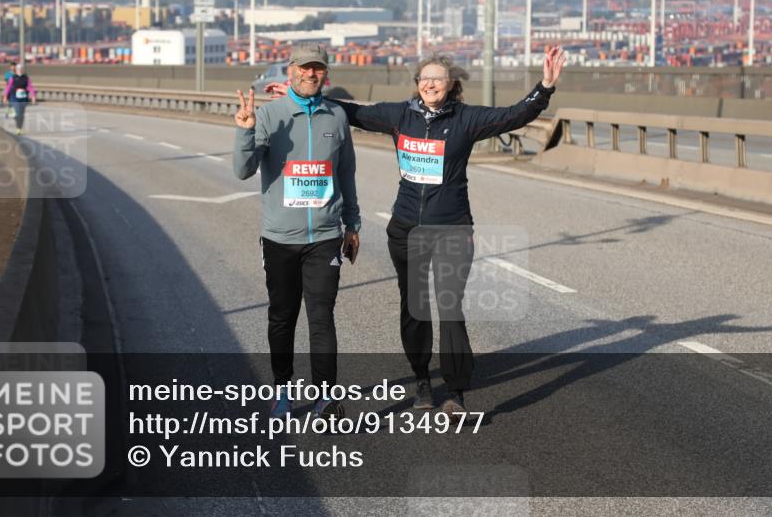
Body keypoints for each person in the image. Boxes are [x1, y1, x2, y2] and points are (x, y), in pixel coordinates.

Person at [265, 46, 566, 418]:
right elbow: (351, 112)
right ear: (417, 83)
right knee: (414, 306)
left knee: (450, 306)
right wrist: (298, 97)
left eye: (438, 79)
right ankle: (422, 378)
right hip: (406, 229)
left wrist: (545, 87)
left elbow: (514, 115)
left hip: (452, 228)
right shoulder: (400, 115)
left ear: (451, 84)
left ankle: (455, 392)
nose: (430, 84)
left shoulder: (467, 119)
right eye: (425, 79)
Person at [233, 42, 361, 421]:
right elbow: (243, 170)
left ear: (326, 74)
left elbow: (346, 174)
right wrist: (245, 132)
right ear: (291, 71)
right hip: (280, 238)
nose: (310, 73)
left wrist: (352, 224)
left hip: (325, 237)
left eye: (317, 68)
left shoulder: (336, 116)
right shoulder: (270, 115)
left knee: (322, 318)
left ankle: (325, 399)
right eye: (304, 67)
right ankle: (282, 391)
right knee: (282, 317)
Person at [3, 63, 36, 134]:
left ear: (23, 70)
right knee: (17, 112)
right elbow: (8, 87)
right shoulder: (13, 78)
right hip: (14, 97)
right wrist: (5, 96)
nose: (20, 70)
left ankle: (19, 128)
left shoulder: (26, 78)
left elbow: (30, 87)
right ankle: (17, 125)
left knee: (21, 114)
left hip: (23, 97)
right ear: (16, 70)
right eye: (18, 69)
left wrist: (33, 96)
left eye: (21, 69)